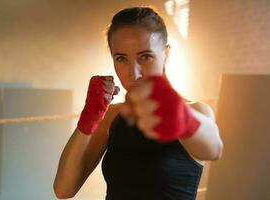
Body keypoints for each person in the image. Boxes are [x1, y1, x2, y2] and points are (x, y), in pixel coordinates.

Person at [53, 6, 223, 200]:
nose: (133, 73)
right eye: (121, 58)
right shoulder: (113, 117)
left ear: (166, 54)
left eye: (145, 57)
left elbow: (213, 148)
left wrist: (181, 118)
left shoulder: (194, 110)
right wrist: (88, 118)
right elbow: (63, 190)